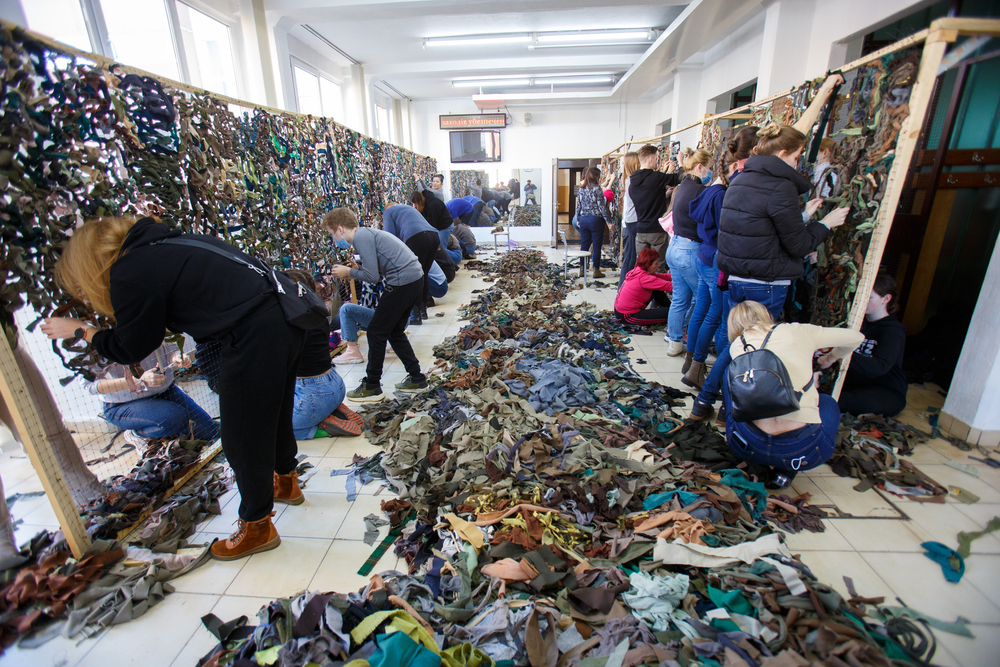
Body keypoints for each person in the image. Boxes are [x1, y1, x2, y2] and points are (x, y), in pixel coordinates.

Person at [42, 216, 308, 561]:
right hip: (286, 318)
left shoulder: (130, 269)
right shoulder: (168, 243)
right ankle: (286, 481)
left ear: (90, 263)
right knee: (275, 410)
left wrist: (82, 329)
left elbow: (131, 346)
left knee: (241, 435)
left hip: (251, 334)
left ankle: (257, 526)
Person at [691, 120, 848, 422]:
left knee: (738, 344)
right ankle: (727, 407)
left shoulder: (740, 180)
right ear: (785, 153)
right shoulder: (780, 186)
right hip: (767, 283)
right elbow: (798, 244)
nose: (798, 163)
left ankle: (708, 402)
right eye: (797, 157)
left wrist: (802, 214)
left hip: (737, 278)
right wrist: (825, 225)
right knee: (753, 349)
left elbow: (759, 229)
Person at [722, 301, 863, 488]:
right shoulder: (797, 331)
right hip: (800, 452)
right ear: (767, 315)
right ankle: (785, 472)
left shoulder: (738, 345)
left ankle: (755, 463)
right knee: (828, 403)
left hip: (747, 444)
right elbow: (856, 337)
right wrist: (829, 359)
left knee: (729, 377)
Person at [325, 208, 428, 402]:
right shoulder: (367, 233)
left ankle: (372, 385)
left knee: (376, 331)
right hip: (413, 279)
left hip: (403, 281)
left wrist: (349, 272)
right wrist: (358, 270)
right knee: (394, 331)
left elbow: (372, 278)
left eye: (332, 234)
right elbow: (379, 274)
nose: (334, 239)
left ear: (339, 229)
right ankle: (417, 377)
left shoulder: (360, 237)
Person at [87, 342, 219, 447]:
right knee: (176, 418)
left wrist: (177, 357)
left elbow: (170, 347)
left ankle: (164, 423)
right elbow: (91, 386)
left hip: (163, 391)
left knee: (210, 432)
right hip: (122, 404)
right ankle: (137, 433)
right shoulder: (91, 331)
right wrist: (137, 381)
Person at [682, 154, 735, 390]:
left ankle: (691, 362)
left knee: (701, 310)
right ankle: (700, 368)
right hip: (715, 257)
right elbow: (725, 229)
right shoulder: (721, 194)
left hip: (703, 254)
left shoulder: (705, 192)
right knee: (717, 316)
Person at [284, 270, 356, 441]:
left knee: (276, 428)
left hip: (312, 395)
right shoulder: (318, 313)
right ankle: (331, 410)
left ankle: (322, 428)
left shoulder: (288, 321)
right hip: (335, 384)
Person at [838, 273, 908, 417]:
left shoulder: (893, 330)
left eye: (869, 298)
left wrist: (838, 354)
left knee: (837, 401)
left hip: (885, 390)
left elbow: (879, 367)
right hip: (857, 385)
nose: (863, 301)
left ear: (886, 299)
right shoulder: (857, 322)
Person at [664, 149, 712, 357]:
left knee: (680, 299)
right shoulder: (700, 191)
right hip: (688, 250)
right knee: (701, 298)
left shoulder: (681, 187)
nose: (711, 172)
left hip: (674, 246)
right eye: (709, 167)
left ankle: (674, 340)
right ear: (700, 167)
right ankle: (690, 341)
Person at [380, 204, 441, 326]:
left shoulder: (388, 212)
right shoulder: (407, 208)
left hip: (416, 238)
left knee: (415, 277)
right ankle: (423, 311)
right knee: (423, 274)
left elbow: (389, 237)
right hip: (433, 236)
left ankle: (415, 315)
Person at [630, 144, 683, 274]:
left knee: (642, 268)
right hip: (656, 230)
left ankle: (644, 293)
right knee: (657, 268)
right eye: (656, 158)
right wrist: (681, 161)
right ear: (651, 159)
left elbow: (647, 197)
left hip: (641, 230)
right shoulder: (656, 177)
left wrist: (663, 195)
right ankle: (658, 293)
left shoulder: (633, 180)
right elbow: (680, 177)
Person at [613, 249, 673, 326]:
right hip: (627, 316)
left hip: (620, 311)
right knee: (672, 313)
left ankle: (669, 307)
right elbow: (670, 287)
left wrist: (681, 277)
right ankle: (670, 310)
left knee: (656, 289)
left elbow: (663, 277)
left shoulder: (638, 270)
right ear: (648, 265)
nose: (658, 265)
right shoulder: (644, 278)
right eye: (655, 264)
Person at [576, 166, 613, 279]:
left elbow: (578, 206)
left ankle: (582, 269)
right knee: (597, 245)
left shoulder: (581, 189)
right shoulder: (597, 189)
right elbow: (602, 207)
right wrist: (609, 221)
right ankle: (596, 270)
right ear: (595, 176)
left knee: (584, 244)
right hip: (596, 220)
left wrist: (578, 219)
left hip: (584, 219)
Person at [617, 152, 641, 290]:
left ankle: (624, 290)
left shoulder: (627, 182)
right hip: (631, 226)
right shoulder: (632, 182)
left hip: (628, 226)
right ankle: (622, 291)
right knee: (629, 261)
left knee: (629, 260)